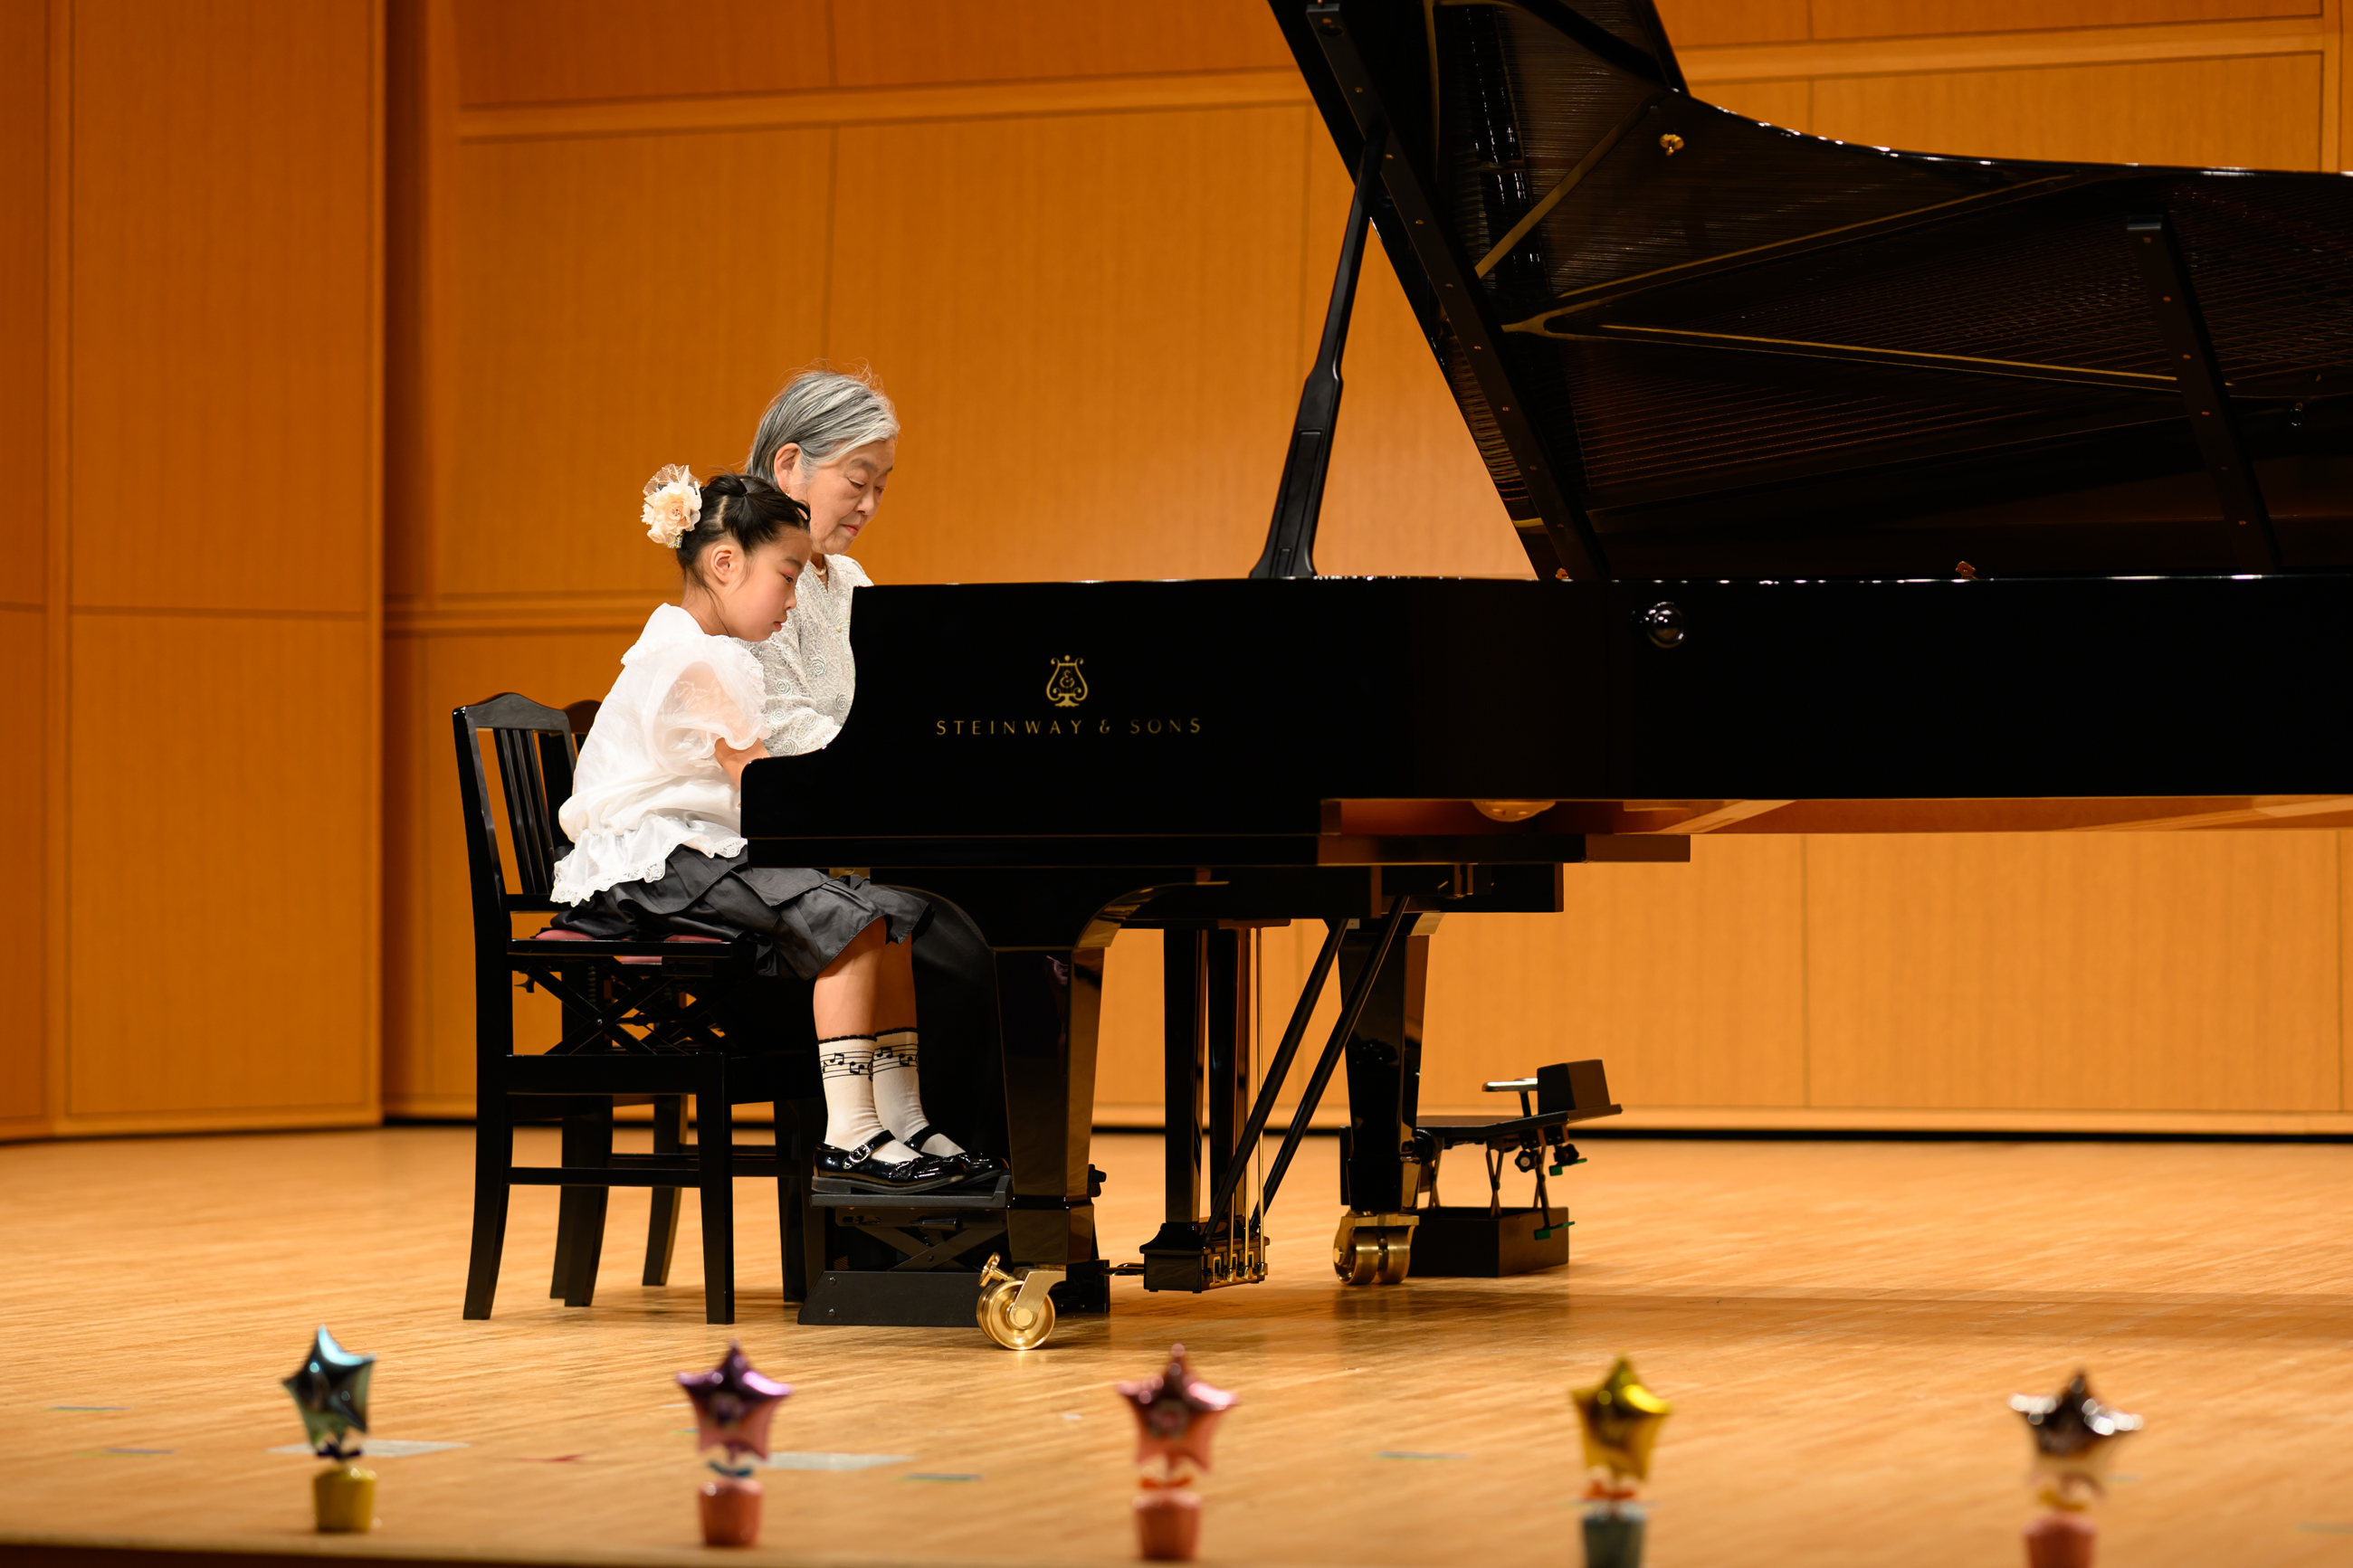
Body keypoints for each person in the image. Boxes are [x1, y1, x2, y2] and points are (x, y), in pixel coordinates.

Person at [547, 465, 976, 1193]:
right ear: (724, 563)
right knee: (846, 918)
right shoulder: (687, 659)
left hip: (697, 848)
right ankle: (850, 1132)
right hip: (651, 864)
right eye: (786, 574)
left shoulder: (714, 652)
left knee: (895, 917)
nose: (792, 596)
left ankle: (904, 1115)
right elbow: (759, 781)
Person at [738, 367, 993, 1175]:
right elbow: (779, 726)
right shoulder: (746, 571)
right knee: (960, 941)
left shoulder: (847, 581)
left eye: (881, 485)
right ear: (789, 468)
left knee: (987, 929)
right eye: (857, 479)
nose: (869, 504)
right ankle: (888, 1164)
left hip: (838, 819)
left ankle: (943, 1153)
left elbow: (884, 710)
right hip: (769, 840)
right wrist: (895, 768)